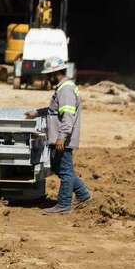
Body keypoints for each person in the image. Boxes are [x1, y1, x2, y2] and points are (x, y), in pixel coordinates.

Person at [26, 57, 90, 214]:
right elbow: (54, 110)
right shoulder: (62, 88)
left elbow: (68, 115)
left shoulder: (66, 89)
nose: (47, 78)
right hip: (58, 137)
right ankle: (83, 195)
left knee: (65, 171)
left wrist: (62, 136)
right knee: (59, 167)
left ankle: (64, 205)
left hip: (62, 139)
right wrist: (37, 113)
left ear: (56, 73)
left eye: (49, 74)